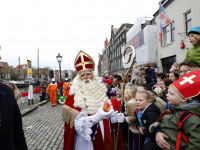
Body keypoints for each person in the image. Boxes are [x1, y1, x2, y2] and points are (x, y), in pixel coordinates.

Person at [62, 50, 124, 150]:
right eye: (82, 75)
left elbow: (105, 116)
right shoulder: (74, 97)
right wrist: (95, 118)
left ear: (93, 76)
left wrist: (113, 118)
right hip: (85, 142)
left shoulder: (100, 92)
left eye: (88, 74)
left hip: (103, 135)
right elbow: (77, 125)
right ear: (79, 78)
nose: (86, 77)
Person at [150, 69, 200, 150]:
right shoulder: (174, 109)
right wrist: (158, 131)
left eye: (171, 94)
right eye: (168, 92)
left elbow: (196, 144)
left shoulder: (191, 118)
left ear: (184, 99)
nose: (167, 96)